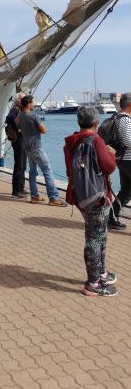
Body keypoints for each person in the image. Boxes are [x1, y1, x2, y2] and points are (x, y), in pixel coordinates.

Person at [64, 106, 117, 296]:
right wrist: (111, 153)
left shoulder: (71, 142)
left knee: (98, 234)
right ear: (96, 123)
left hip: (81, 195)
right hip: (98, 197)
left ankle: (101, 273)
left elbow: (69, 170)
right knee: (95, 238)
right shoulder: (96, 140)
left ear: (79, 122)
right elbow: (109, 167)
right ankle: (93, 283)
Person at [18, 95, 66, 206]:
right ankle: (53, 198)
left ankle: (34, 196)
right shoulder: (33, 115)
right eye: (33, 102)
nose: (34, 104)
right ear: (28, 103)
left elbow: (17, 126)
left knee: (32, 172)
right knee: (47, 171)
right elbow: (43, 130)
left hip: (27, 148)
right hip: (36, 148)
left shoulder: (20, 116)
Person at [108, 93, 131, 230]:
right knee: (126, 191)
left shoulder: (116, 117)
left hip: (122, 160)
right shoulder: (126, 120)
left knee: (126, 191)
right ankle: (111, 218)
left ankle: (111, 218)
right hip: (128, 159)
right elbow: (128, 141)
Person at [5, 92, 28, 198]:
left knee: (23, 165)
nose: (25, 100)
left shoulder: (22, 110)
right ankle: (16, 190)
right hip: (18, 140)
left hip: (24, 140)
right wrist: (17, 129)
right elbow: (8, 118)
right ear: (17, 100)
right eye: (23, 98)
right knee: (19, 165)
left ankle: (21, 187)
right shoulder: (15, 109)